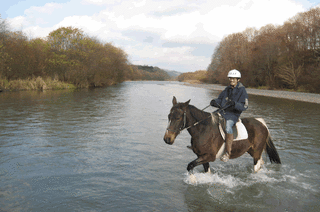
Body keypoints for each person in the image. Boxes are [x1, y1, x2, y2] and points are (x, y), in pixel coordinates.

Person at [210, 69, 248, 162]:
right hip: (222, 111)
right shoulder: (227, 89)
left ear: (238, 80)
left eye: (234, 79)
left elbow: (245, 106)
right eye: (230, 78)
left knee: (227, 127)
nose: (231, 80)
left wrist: (234, 104)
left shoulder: (242, 90)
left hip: (233, 114)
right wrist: (215, 102)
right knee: (209, 119)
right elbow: (220, 99)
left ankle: (227, 152)